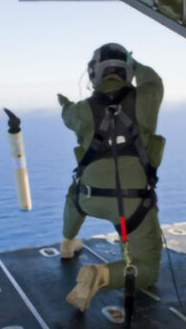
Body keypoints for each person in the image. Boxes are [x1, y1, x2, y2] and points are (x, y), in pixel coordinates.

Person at [57, 43, 165, 311]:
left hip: (90, 198)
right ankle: (102, 275)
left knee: (74, 193)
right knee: (147, 269)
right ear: (127, 71)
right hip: (133, 205)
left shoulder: (81, 110)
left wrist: (66, 104)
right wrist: (136, 64)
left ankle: (67, 244)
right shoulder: (148, 97)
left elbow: (67, 116)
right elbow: (154, 79)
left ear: (94, 74)